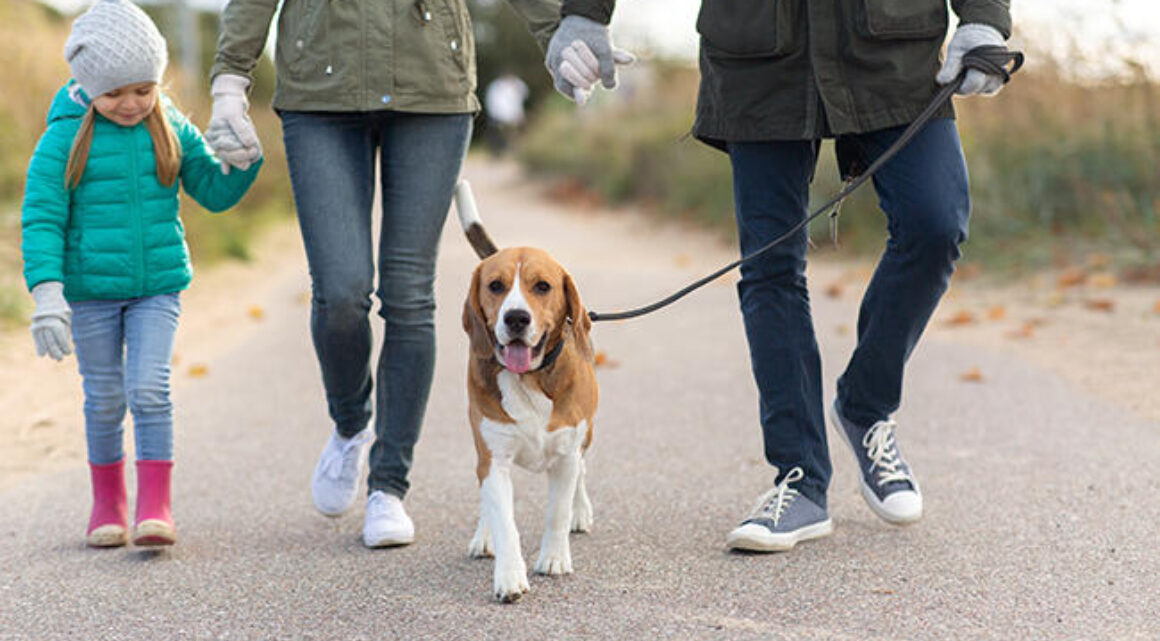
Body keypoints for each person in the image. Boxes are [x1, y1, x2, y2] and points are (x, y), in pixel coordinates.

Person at [546, 0, 1013, 551]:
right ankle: (801, 478)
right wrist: (584, 15)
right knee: (771, 266)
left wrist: (984, 16)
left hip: (893, 48)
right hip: (759, 55)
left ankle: (865, 406)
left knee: (935, 223)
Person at [208, 0, 580, 548]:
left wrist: (562, 32)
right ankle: (351, 423)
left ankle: (389, 486)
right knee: (340, 292)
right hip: (320, 88)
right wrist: (229, 80)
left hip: (430, 86)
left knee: (408, 295)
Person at [21, 0, 262, 548]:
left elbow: (215, 192)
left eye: (142, 89)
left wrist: (243, 162)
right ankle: (108, 505)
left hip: (157, 286)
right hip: (90, 295)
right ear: (87, 86)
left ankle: (155, 506)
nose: (131, 104)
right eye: (115, 93)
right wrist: (48, 294)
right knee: (104, 398)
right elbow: (41, 219)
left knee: (149, 389)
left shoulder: (170, 124)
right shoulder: (62, 139)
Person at [484, 72, 530, 156]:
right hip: (499, 116)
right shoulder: (496, 86)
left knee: (514, 136)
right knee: (500, 136)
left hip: (513, 116)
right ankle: (498, 153)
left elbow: (522, 97)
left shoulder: (517, 84)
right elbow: (493, 102)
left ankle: (513, 153)